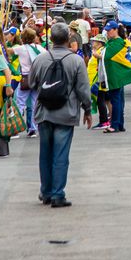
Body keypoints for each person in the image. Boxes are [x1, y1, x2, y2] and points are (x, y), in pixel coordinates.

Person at [29, 22, 93, 207]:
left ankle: (46, 191)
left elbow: (32, 83)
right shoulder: (76, 60)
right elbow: (83, 89)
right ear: (68, 39)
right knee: (60, 155)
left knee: (45, 154)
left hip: (44, 112)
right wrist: (87, 110)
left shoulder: (41, 59)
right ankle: (58, 194)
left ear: (51, 39)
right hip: (67, 112)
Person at [100, 20, 131, 133]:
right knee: (118, 100)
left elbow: (106, 56)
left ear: (115, 30)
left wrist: (97, 54)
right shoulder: (114, 42)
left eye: (109, 30)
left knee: (116, 101)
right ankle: (119, 124)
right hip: (115, 75)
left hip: (115, 76)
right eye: (106, 30)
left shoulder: (117, 42)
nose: (107, 33)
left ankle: (115, 125)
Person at [13, 28, 44, 136]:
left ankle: (16, 128)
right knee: (35, 103)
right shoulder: (39, 48)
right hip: (37, 78)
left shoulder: (21, 49)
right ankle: (33, 128)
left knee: (20, 103)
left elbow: (8, 51)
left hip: (25, 78)